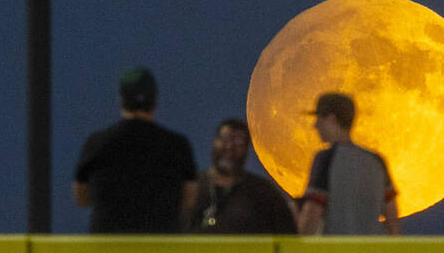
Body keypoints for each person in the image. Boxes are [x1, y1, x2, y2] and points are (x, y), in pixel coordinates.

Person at [73, 67, 198, 233]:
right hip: (162, 251)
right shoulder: (177, 145)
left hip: (107, 251)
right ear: (154, 102)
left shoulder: (97, 142)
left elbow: (81, 198)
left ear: (122, 101)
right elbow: (189, 199)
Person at [297, 92, 401, 236]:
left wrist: (297, 250)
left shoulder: (325, 159)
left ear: (332, 119)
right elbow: (392, 218)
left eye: (319, 119)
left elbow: (312, 213)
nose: (315, 125)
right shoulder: (376, 161)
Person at [186, 118, 297, 234]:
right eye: (224, 140)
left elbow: (288, 237)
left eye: (238, 143)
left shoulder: (264, 193)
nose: (229, 147)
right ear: (214, 142)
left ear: (247, 149)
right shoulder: (191, 187)